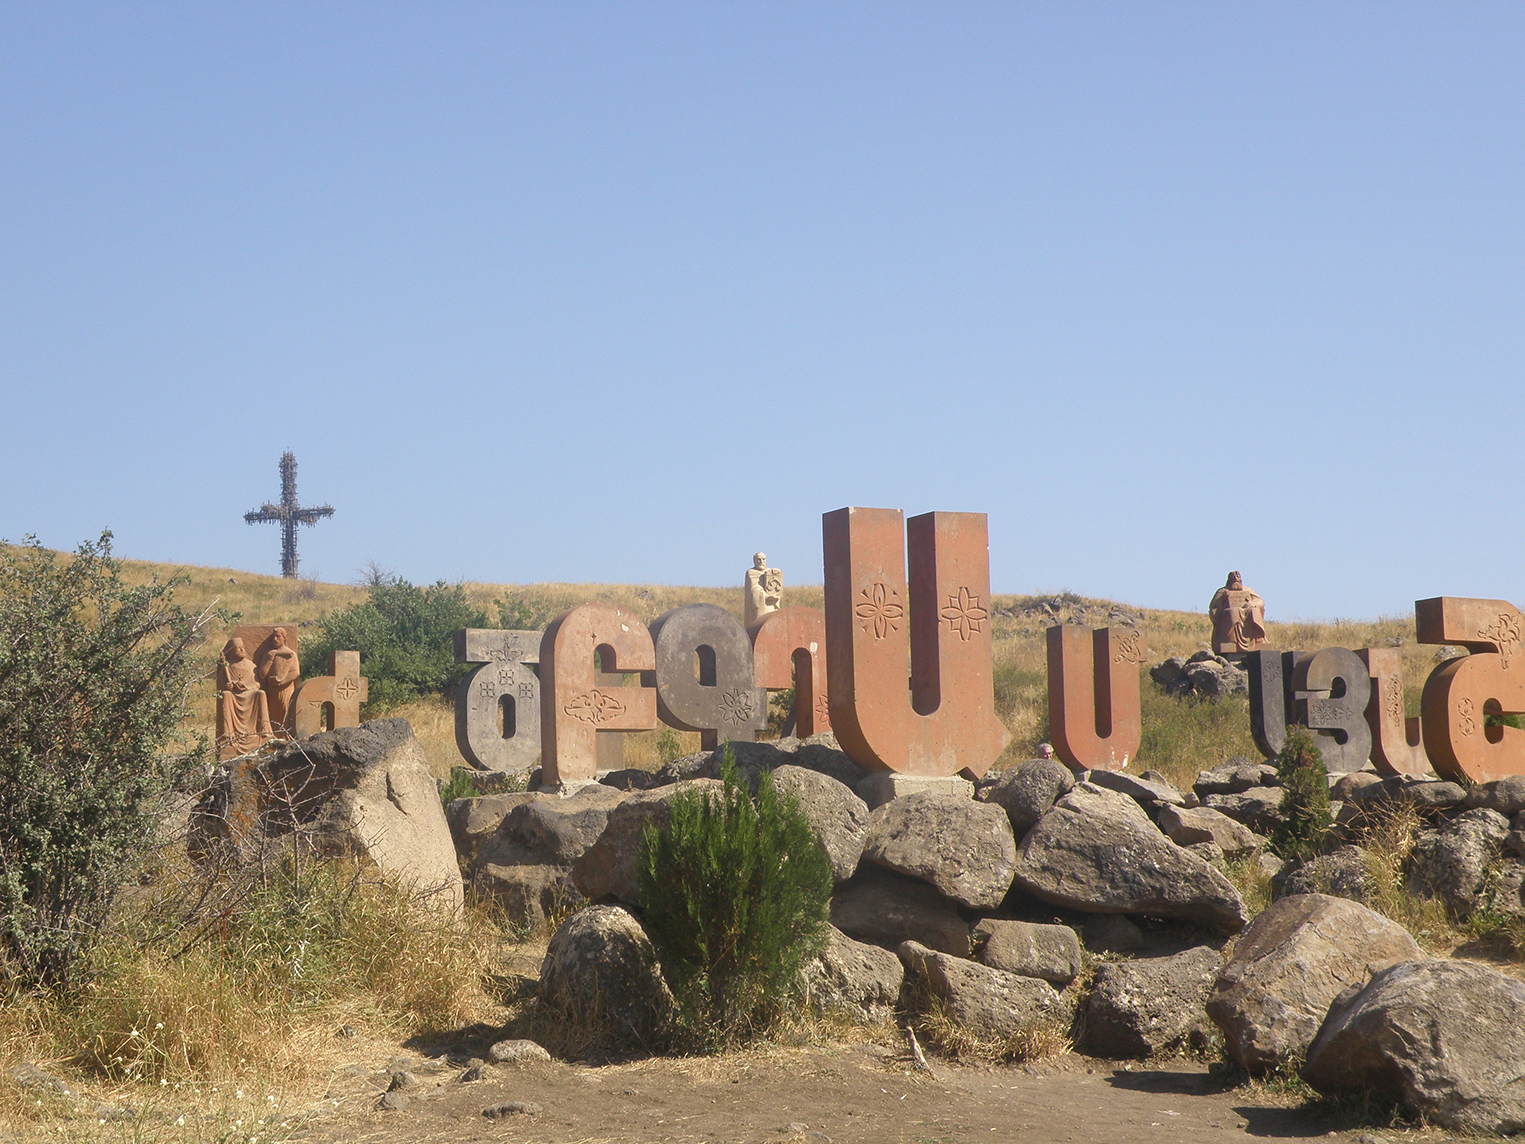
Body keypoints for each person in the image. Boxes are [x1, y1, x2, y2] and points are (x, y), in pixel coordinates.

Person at [217, 637, 272, 758]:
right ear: (232, 651)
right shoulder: (227, 667)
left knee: (261, 694)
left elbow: (258, 684)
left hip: (249, 695)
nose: (242, 649)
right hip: (234, 697)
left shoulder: (251, 666)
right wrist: (228, 687)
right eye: (238, 648)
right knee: (226, 695)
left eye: (242, 647)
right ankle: (228, 734)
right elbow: (220, 686)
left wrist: (246, 686)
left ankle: (264, 731)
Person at [1209, 571, 1268, 654]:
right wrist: (1223, 599)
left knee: (1254, 610)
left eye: (1237, 577)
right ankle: (1230, 639)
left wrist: (1252, 603)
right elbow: (1213, 606)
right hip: (1229, 613)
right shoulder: (1222, 591)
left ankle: (1259, 638)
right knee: (1233, 612)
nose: (1236, 579)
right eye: (1233, 578)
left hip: (1247, 610)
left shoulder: (1247, 590)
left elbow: (1260, 601)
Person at [257, 627, 301, 736]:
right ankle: (274, 738)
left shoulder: (290, 654)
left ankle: (287, 737)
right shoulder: (268, 654)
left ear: (284, 638)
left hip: (286, 689)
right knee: (272, 713)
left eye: (278, 636)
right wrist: (269, 659)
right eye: (273, 637)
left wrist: (281, 681)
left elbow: (295, 672)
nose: (275, 639)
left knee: (286, 712)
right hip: (271, 691)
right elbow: (262, 674)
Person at [744, 551, 783, 626]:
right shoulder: (751, 573)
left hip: (770, 605)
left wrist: (777, 573)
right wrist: (765, 596)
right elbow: (754, 589)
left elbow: (777, 586)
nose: (761, 561)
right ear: (754, 561)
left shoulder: (769, 571)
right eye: (759, 559)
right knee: (760, 625)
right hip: (759, 605)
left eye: (763, 559)